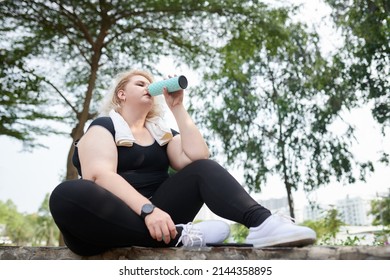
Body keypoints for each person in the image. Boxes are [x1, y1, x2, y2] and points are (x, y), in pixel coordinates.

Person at [49, 69, 316, 256]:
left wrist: (178, 108)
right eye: (140, 84)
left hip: (164, 218)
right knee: (66, 193)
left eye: (149, 85)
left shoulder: (160, 132)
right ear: (121, 94)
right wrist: (148, 211)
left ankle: (262, 224)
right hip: (106, 221)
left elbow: (198, 158)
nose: (147, 87)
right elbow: (100, 175)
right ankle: (178, 236)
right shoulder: (103, 126)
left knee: (203, 169)